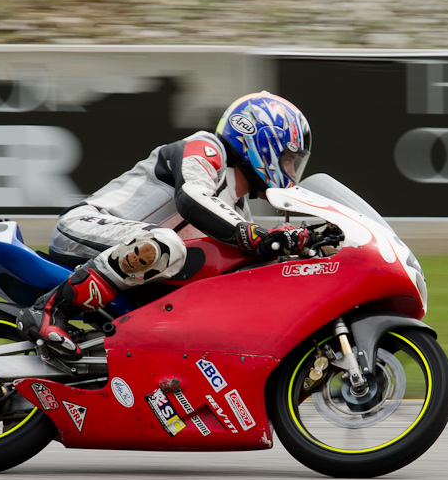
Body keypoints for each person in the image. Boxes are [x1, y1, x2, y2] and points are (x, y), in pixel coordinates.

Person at [16, 91, 312, 358]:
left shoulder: (238, 208)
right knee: (164, 244)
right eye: (287, 159)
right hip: (85, 226)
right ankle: (49, 310)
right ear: (260, 144)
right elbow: (193, 198)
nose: (290, 170)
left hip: (135, 256)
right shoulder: (206, 149)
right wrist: (256, 236)